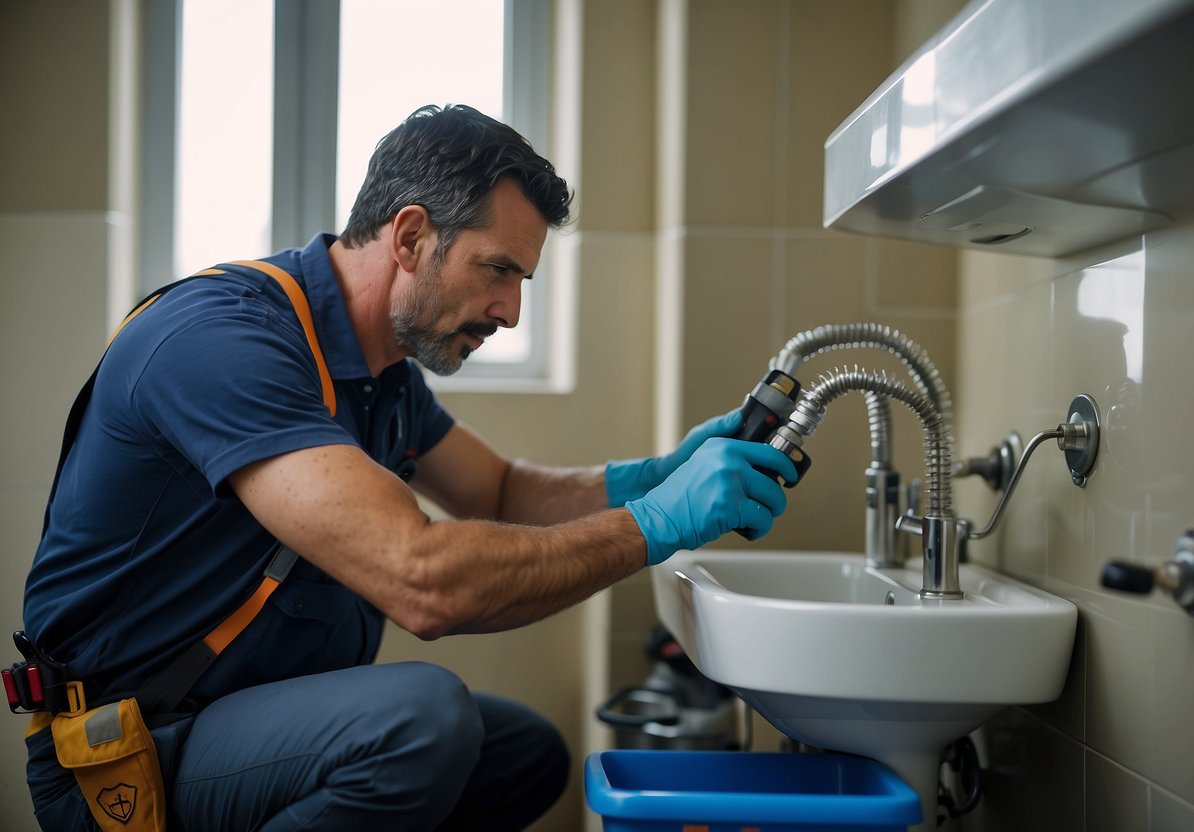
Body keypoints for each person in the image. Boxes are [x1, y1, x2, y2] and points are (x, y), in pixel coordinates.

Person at [20, 104, 797, 831]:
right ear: (410, 236)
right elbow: (421, 580)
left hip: (238, 716)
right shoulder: (224, 341)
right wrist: (657, 525)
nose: (510, 312)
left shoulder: (381, 372)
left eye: (521, 281)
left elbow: (498, 491)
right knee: (419, 723)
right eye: (497, 271)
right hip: (125, 750)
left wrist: (661, 476)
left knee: (524, 754)